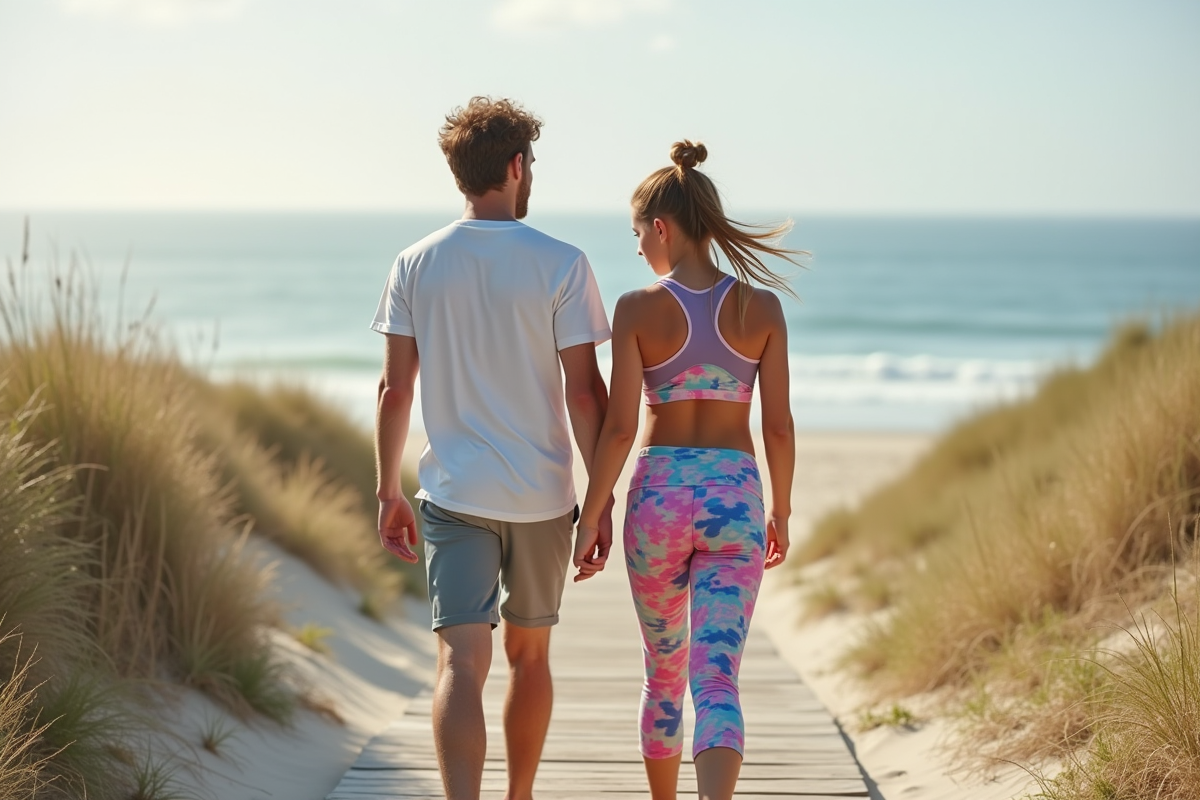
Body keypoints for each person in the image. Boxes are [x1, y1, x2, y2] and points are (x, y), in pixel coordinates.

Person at [371, 96, 614, 800]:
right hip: (542, 500)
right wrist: (598, 503)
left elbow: (394, 389)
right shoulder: (563, 263)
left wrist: (388, 491)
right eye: (530, 161)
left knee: (460, 666)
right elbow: (586, 396)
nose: (531, 173)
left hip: (452, 495)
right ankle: (520, 797)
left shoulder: (414, 262)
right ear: (514, 165)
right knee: (529, 658)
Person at [573, 140, 802, 800]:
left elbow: (619, 428)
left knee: (664, 673)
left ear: (662, 227)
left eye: (637, 232)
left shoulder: (638, 308)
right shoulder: (761, 309)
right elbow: (778, 426)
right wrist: (780, 510)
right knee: (717, 677)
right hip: (735, 498)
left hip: (659, 501)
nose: (638, 246)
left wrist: (594, 512)